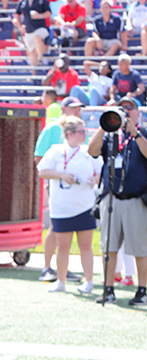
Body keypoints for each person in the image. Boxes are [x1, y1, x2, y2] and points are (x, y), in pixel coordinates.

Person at [88, 96, 147, 306]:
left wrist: (136, 133)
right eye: (122, 109)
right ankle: (108, 289)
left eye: (130, 108)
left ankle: (143, 290)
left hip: (135, 200)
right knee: (109, 247)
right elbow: (92, 150)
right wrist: (105, 124)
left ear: (138, 112)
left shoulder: (142, 133)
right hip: (111, 199)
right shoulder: (112, 137)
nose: (126, 112)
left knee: (140, 248)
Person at [37, 115, 103, 293]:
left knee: (85, 245)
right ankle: (61, 280)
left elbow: (101, 173)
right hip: (61, 207)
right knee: (63, 246)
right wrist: (62, 175)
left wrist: (93, 180)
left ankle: (89, 281)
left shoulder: (89, 152)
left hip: (85, 206)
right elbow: (42, 171)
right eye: (81, 132)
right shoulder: (56, 150)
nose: (85, 135)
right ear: (70, 134)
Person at [35, 97, 88, 284]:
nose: (77, 111)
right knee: (55, 227)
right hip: (57, 184)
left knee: (68, 229)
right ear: (64, 108)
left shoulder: (79, 128)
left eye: (79, 108)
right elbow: (39, 157)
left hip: (76, 187)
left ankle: (62, 268)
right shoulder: (52, 128)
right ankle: (47, 266)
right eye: (74, 108)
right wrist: (55, 175)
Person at [12, 0, 51, 74]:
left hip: (41, 27)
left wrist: (40, 16)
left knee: (37, 38)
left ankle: (40, 59)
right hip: (29, 29)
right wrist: (20, 26)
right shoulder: (22, 2)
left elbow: (49, 13)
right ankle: (34, 74)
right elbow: (17, 14)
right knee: (31, 52)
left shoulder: (42, 0)